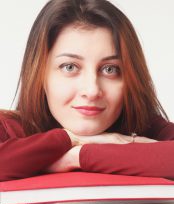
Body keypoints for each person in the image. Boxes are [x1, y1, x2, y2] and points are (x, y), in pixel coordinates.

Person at [0, 0, 174, 183]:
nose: (92, 91)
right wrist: (69, 138)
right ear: (39, 74)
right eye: (69, 67)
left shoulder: (145, 130)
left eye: (110, 69)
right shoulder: (8, 130)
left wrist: (78, 156)